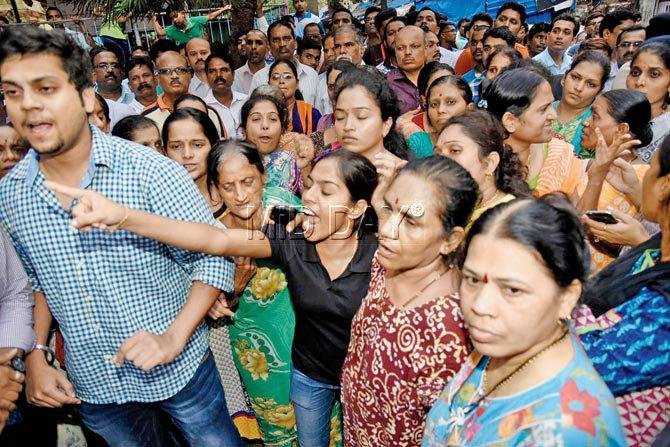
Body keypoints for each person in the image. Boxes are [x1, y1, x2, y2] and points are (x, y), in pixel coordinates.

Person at [0, 26, 241, 446]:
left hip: (181, 369)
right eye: (14, 92)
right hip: (96, 386)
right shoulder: (12, 194)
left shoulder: (151, 171)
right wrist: (37, 353)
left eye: (46, 88)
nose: (31, 106)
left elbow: (211, 255)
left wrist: (174, 336)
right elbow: (38, 280)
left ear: (85, 96)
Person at [47, 149, 380, 447]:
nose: (308, 198)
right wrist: (124, 217)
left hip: (366, 377)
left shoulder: (384, 254)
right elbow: (214, 240)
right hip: (310, 377)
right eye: (309, 186)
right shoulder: (289, 240)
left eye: (326, 190)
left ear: (356, 209)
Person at [422, 194, 627, 446]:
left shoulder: (571, 430)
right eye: (473, 280)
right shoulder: (502, 344)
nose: (479, 305)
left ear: (567, 298)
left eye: (512, 290)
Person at [342, 156, 477, 446]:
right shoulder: (385, 262)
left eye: (412, 222)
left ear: (450, 241)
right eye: (389, 209)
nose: (388, 230)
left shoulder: (451, 327)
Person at [577, 134, 670, 446]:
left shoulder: (665, 313)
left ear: (665, 185)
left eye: (650, 169)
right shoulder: (655, 248)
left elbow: (592, 365)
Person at [206, 140, 300, 446]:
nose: (240, 194)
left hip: (307, 337)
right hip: (259, 354)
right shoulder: (214, 236)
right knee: (279, 431)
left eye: (247, 182)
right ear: (216, 190)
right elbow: (221, 305)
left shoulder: (284, 207)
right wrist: (235, 287)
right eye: (228, 186)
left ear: (262, 176)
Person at [578, 90, 654, 270]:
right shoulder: (584, 165)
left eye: (595, 116)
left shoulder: (644, 176)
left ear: (622, 129)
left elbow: (581, 227)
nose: (586, 122)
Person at [483, 68, 585, 197]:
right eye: (544, 109)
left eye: (551, 105)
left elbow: (577, 213)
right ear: (510, 121)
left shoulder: (561, 154)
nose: (553, 115)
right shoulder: (483, 164)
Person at [436, 110, 531, 225]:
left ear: (489, 163)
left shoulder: (511, 218)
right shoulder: (443, 207)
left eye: (455, 150)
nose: (441, 160)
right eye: (437, 153)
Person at [330, 68, 409, 164]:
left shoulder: (404, 175)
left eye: (361, 117)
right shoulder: (328, 170)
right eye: (340, 117)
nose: (348, 126)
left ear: (386, 124)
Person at [240, 91, 302, 193]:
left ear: (282, 129)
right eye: (256, 119)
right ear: (243, 129)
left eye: (272, 119)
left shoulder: (295, 164)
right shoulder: (233, 165)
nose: (265, 125)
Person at [398, 75, 474, 158]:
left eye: (450, 102)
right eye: (434, 104)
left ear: (469, 108)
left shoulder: (484, 143)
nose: (441, 110)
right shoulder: (416, 142)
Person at [553, 51, 611, 158]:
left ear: (599, 90)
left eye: (591, 84)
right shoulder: (541, 110)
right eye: (575, 77)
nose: (579, 88)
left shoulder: (597, 124)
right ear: (564, 78)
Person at [248, 21, 319, 107]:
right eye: (276, 40)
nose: (282, 44)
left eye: (287, 38)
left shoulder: (311, 74)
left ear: (295, 43)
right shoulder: (259, 78)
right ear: (269, 46)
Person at [626, 42, 670, 163]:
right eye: (635, 73)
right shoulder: (616, 117)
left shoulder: (667, 130)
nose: (639, 81)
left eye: (654, 74)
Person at [269, 58, 321, 136]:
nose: (281, 81)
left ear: (297, 83)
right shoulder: (261, 114)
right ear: (269, 84)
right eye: (275, 77)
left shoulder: (312, 115)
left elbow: (320, 146)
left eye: (287, 77)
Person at [143, 50, 193, 131]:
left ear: (189, 75)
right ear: (157, 78)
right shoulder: (147, 117)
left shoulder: (206, 110)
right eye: (166, 71)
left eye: (180, 70)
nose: (174, 76)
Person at [204, 51, 248, 139]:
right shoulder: (203, 108)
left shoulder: (247, 101)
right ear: (206, 76)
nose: (219, 75)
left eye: (224, 70)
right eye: (212, 71)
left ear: (233, 74)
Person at [388, 26, 426, 115]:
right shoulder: (386, 84)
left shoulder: (439, 76)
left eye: (414, 46)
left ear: (426, 48)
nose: (407, 52)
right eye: (401, 48)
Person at [153, 5, 232, 45]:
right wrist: (154, 20)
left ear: (183, 14)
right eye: (172, 19)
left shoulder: (195, 20)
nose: (174, 20)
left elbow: (210, 16)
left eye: (176, 16)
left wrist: (224, 9)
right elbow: (160, 32)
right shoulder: (172, 29)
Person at [233, 30, 268, 96]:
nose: (253, 47)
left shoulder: (273, 74)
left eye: (258, 43)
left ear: (267, 47)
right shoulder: (235, 77)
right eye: (249, 43)